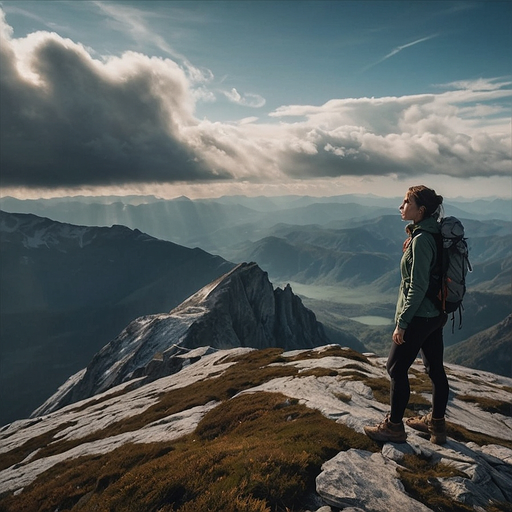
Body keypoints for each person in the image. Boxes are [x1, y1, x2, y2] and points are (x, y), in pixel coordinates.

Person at [364, 185, 449, 444]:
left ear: (420, 210)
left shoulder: (422, 240)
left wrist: (402, 323)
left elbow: (418, 287)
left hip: (420, 315)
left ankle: (394, 427)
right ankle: (436, 425)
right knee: (435, 369)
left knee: (395, 368)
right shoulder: (428, 234)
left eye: (406, 202)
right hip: (436, 313)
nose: (401, 206)